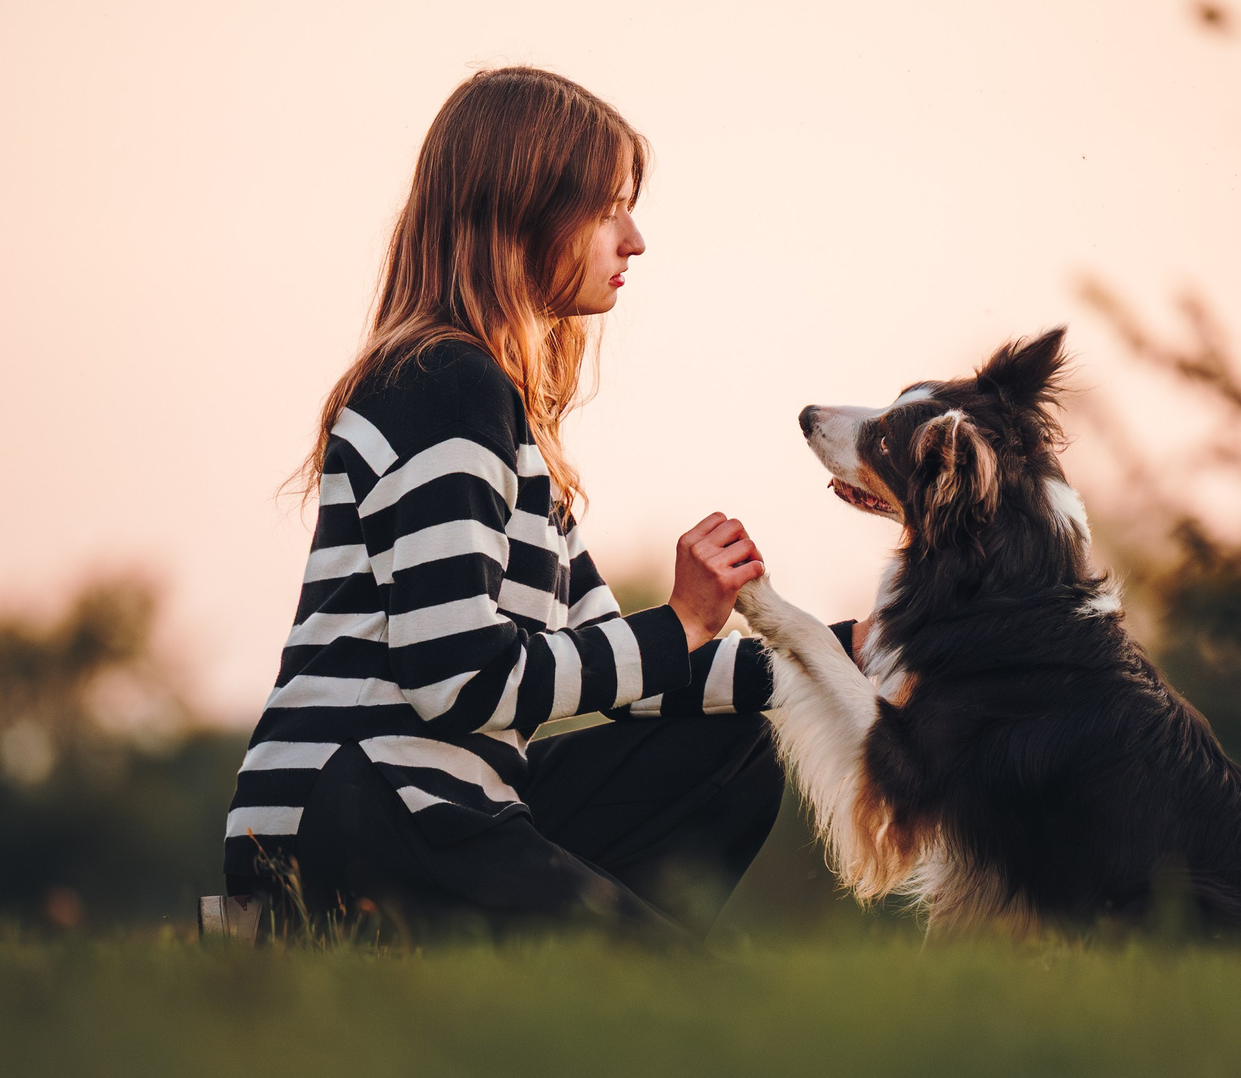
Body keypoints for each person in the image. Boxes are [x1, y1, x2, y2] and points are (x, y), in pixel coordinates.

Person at [223, 67, 829, 941]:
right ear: (527, 209)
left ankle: (573, 954)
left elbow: (629, 674)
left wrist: (846, 657)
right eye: (609, 207)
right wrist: (684, 617)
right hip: (355, 816)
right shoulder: (441, 383)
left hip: (447, 798)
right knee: (684, 998)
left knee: (737, 745)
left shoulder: (503, 414)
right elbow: (457, 677)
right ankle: (347, 940)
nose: (636, 239)